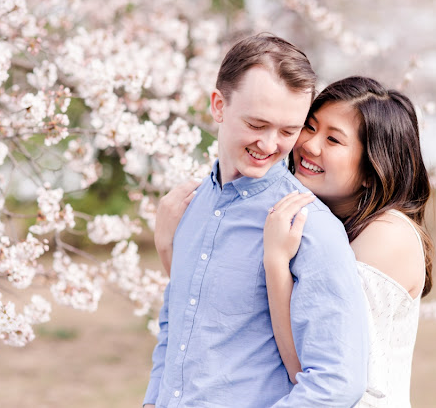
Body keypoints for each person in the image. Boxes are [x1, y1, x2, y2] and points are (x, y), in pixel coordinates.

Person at [144, 34, 369, 407]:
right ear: (219, 105)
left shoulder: (309, 227)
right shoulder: (189, 206)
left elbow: (338, 381)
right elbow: (175, 328)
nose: (269, 145)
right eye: (256, 124)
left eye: (288, 131)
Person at [263, 76, 434, 407]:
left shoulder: (386, 236)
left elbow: (323, 375)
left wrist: (276, 263)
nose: (309, 145)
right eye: (309, 127)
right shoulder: (322, 222)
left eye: (333, 140)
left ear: (374, 166)